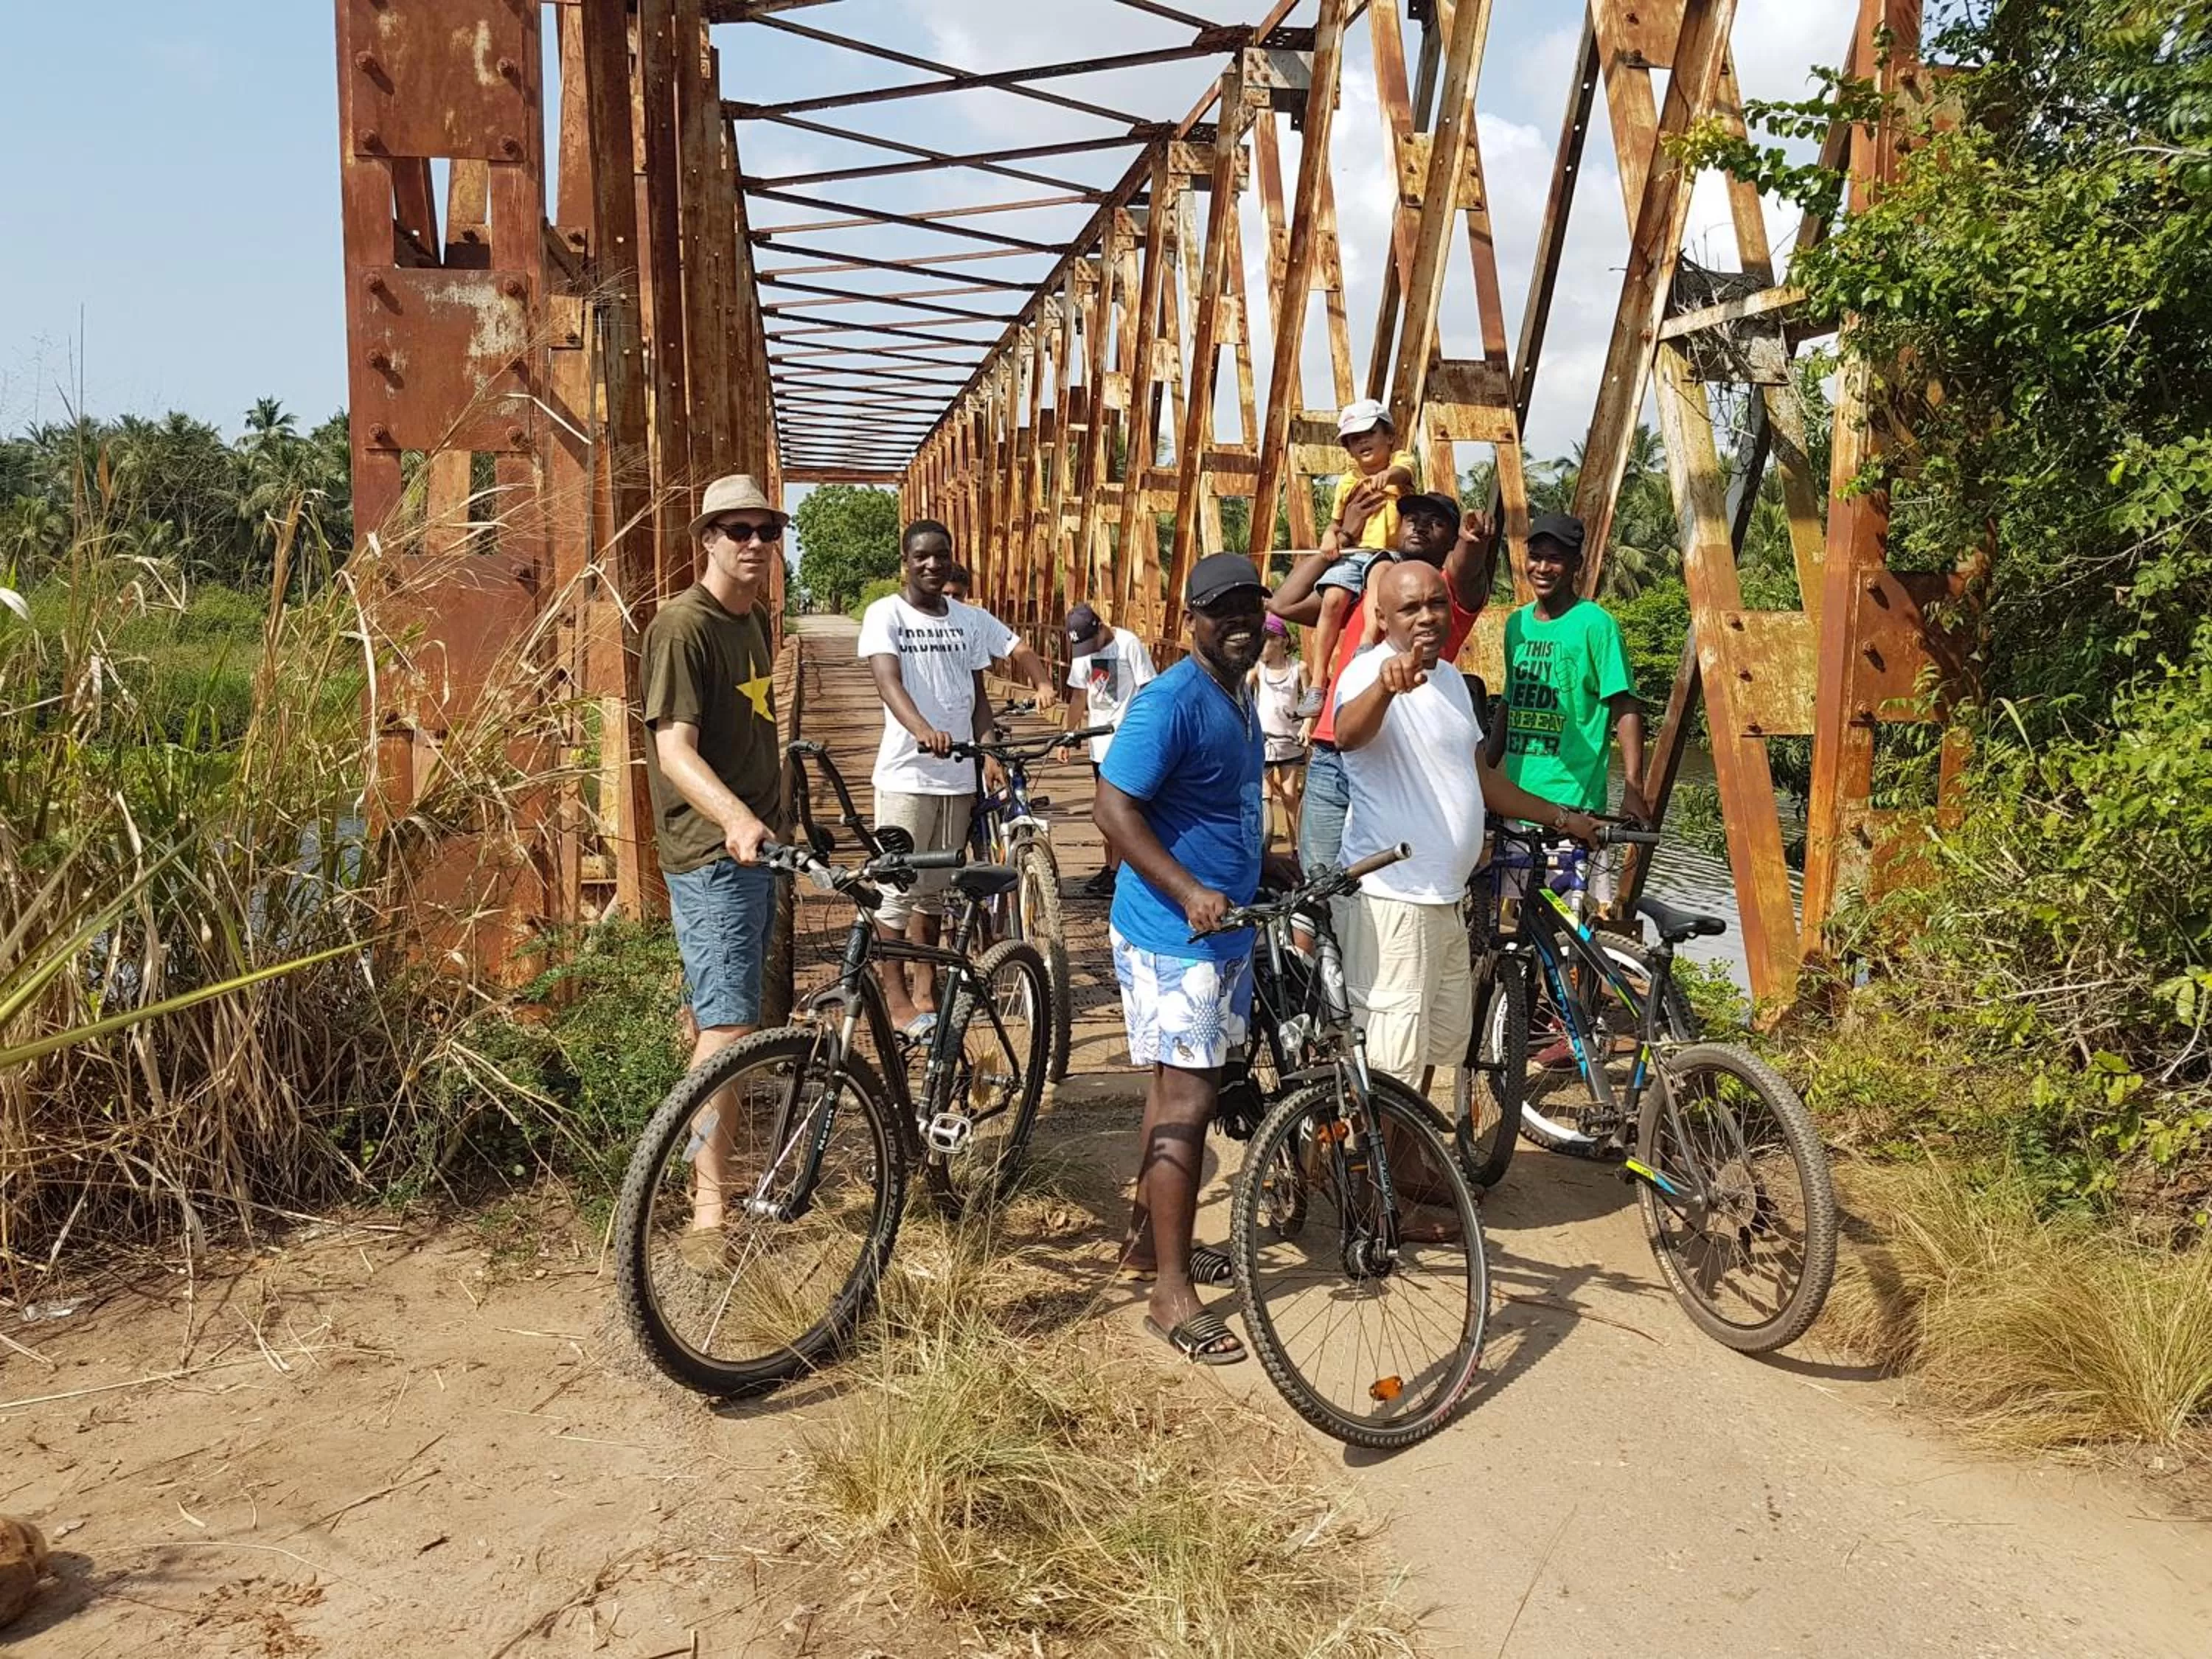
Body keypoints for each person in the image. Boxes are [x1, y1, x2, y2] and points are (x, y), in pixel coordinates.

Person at [1092, 553, 1293, 1365]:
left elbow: (1217, 803)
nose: (1242, 622)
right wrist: (1187, 890)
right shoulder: (1171, 702)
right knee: (1189, 1100)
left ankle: (1149, 1243)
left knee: (1172, 1088)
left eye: (1252, 607)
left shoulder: (1237, 693)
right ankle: (1171, 1296)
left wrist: (1260, 863)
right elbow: (1111, 807)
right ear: (1193, 622)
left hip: (1222, 929)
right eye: (1223, 611)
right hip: (1178, 937)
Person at [1332, 560, 1600, 1096]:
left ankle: (1411, 1163)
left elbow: (1479, 776)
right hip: (1392, 899)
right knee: (1390, 1053)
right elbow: (1346, 735)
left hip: (1446, 897)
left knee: (1436, 1041)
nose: (1428, 617)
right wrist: (1386, 689)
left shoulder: (1452, 681)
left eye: (1436, 603)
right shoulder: (1369, 671)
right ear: (1382, 617)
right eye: (1411, 608)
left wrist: (1562, 817)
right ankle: (1374, 1174)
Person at [638, 473, 788, 1270]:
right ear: (707, 539)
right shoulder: (682, 626)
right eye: (737, 530)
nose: (755, 543)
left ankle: (701, 1168)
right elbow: (672, 748)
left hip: (758, 851)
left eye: (766, 529)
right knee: (729, 1027)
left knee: (719, 1013)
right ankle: (707, 1211)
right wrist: (734, 818)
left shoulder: (753, 620)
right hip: (714, 855)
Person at [1270, 491, 1497, 874]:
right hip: (1332, 753)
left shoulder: (1444, 595)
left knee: (1376, 882)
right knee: (1318, 881)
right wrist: (1341, 537)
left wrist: (1471, 542)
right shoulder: (1371, 591)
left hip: (1394, 759)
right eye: (1411, 517)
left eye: (1436, 521)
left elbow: (1466, 568)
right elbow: (1283, 605)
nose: (1420, 525)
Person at [858, 521, 1006, 1036]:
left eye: (940, 555)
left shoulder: (964, 620)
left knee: (936, 894)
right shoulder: (887, 614)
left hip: (957, 777)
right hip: (906, 774)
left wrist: (989, 754)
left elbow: (979, 697)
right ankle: (895, 997)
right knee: (895, 888)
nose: (932, 564)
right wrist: (923, 729)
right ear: (906, 560)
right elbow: (886, 681)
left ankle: (927, 989)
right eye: (921, 556)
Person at [1060, 601, 1158, 897]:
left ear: (1101, 626)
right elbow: (1079, 697)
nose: (1089, 651)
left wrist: (1146, 735)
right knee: (1104, 811)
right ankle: (1111, 868)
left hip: (1126, 742)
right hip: (1098, 744)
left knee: (1122, 810)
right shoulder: (1084, 653)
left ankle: (1121, 870)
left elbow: (1147, 689)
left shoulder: (1128, 643)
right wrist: (1068, 734)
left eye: (1092, 643)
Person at [944, 562, 1058, 711]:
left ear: (966, 593)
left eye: (956, 595)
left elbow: (1018, 648)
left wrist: (1044, 686)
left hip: (967, 711)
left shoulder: (976, 618)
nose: (950, 600)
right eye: (945, 594)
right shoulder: (915, 619)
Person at [1330, 397, 1419, 554]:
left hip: (1394, 553)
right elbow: (1336, 523)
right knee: (1331, 579)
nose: (1363, 441)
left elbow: (1404, 472)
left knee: (1378, 573)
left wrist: (1388, 475)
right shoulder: (1347, 482)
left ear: (1389, 437)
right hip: (1355, 553)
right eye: (1355, 438)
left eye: (1370, 433)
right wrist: (1329, 537)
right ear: (1349, 450)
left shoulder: (1398, 461)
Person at [1252, 613, 1307, 847]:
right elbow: (1241, 690)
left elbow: (1310, 700)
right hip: (1263, 741)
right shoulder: (1257, 669)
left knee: (1289, 794)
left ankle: (1296, 847)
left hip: (1289, 740)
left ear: (1283, 641)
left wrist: (1307, 724)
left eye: (1269, 639)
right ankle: (1264, 845)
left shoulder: (1299, 668)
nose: (1263, 645)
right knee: (1263, 792)